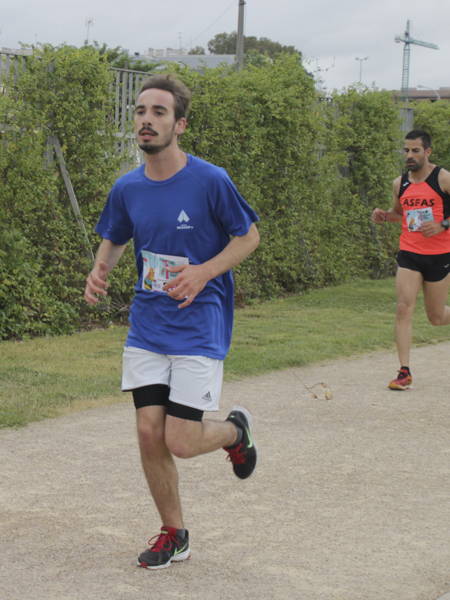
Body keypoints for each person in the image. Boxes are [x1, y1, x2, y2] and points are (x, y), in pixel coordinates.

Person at [83, 74, 261, 570]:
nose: (146, 119)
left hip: (199, 323)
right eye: (140, 111)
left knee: (180, 441)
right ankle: (174, 532)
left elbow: (248, 238)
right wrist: (99, 271)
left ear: (179, 124)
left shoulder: (210, 180)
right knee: (147, 432)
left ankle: (234, 433)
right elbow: (116, 237)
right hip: (147, 325)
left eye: (158, 112)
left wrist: (204, 272)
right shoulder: (128, 187)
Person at [371, 129, 450, 391]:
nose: (409, 155)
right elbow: (401, 214)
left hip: (439, 255)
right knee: (403, 308)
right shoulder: (400, 183)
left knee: (434, 316)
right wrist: (384, 216)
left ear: (428, 152)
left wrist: (444, 224)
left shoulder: (443, 178)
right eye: (406, 150)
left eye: (415, 150)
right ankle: (404, 372)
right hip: (410, 253)